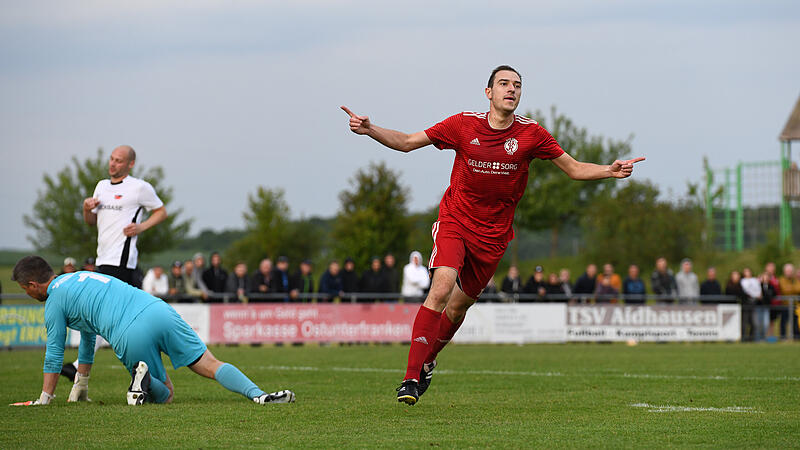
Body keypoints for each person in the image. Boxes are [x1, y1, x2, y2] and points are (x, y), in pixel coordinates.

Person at [343, 64, 644, 405]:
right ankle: (410, 379)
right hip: (456, 221)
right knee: (441, 288)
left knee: (458, 308)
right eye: (504, 83)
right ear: (488, 92)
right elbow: (409, 142)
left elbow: (573, 169)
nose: (511, 89)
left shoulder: (532, 134)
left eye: (517, 85)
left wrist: (609, 170)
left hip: (494, 237)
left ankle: (428, 361)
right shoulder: (462, 124)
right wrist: (370, 130)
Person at [10, 255, 294, 407]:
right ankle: (259, 395)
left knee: (166, 394)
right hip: (158, 310)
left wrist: (45, 398)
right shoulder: (81, 276)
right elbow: (87, 335)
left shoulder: (55, 301)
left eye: (25, 289)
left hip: (128, 332)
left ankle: (142, 378)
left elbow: (55, 352)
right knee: (210, 363)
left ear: (33, 285)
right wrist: (81, 386)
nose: (27, 293)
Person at [82, 145, 167, 287]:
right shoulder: (101, 186)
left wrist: (141, 227)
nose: (113, 164)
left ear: (131, 164)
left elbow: (161, 212)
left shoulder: (139, 187)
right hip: (102, 257)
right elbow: (91, 222)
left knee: (112, 300)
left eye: (119, 161)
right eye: (111, 159)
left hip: (121, 260)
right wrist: (86, 209)